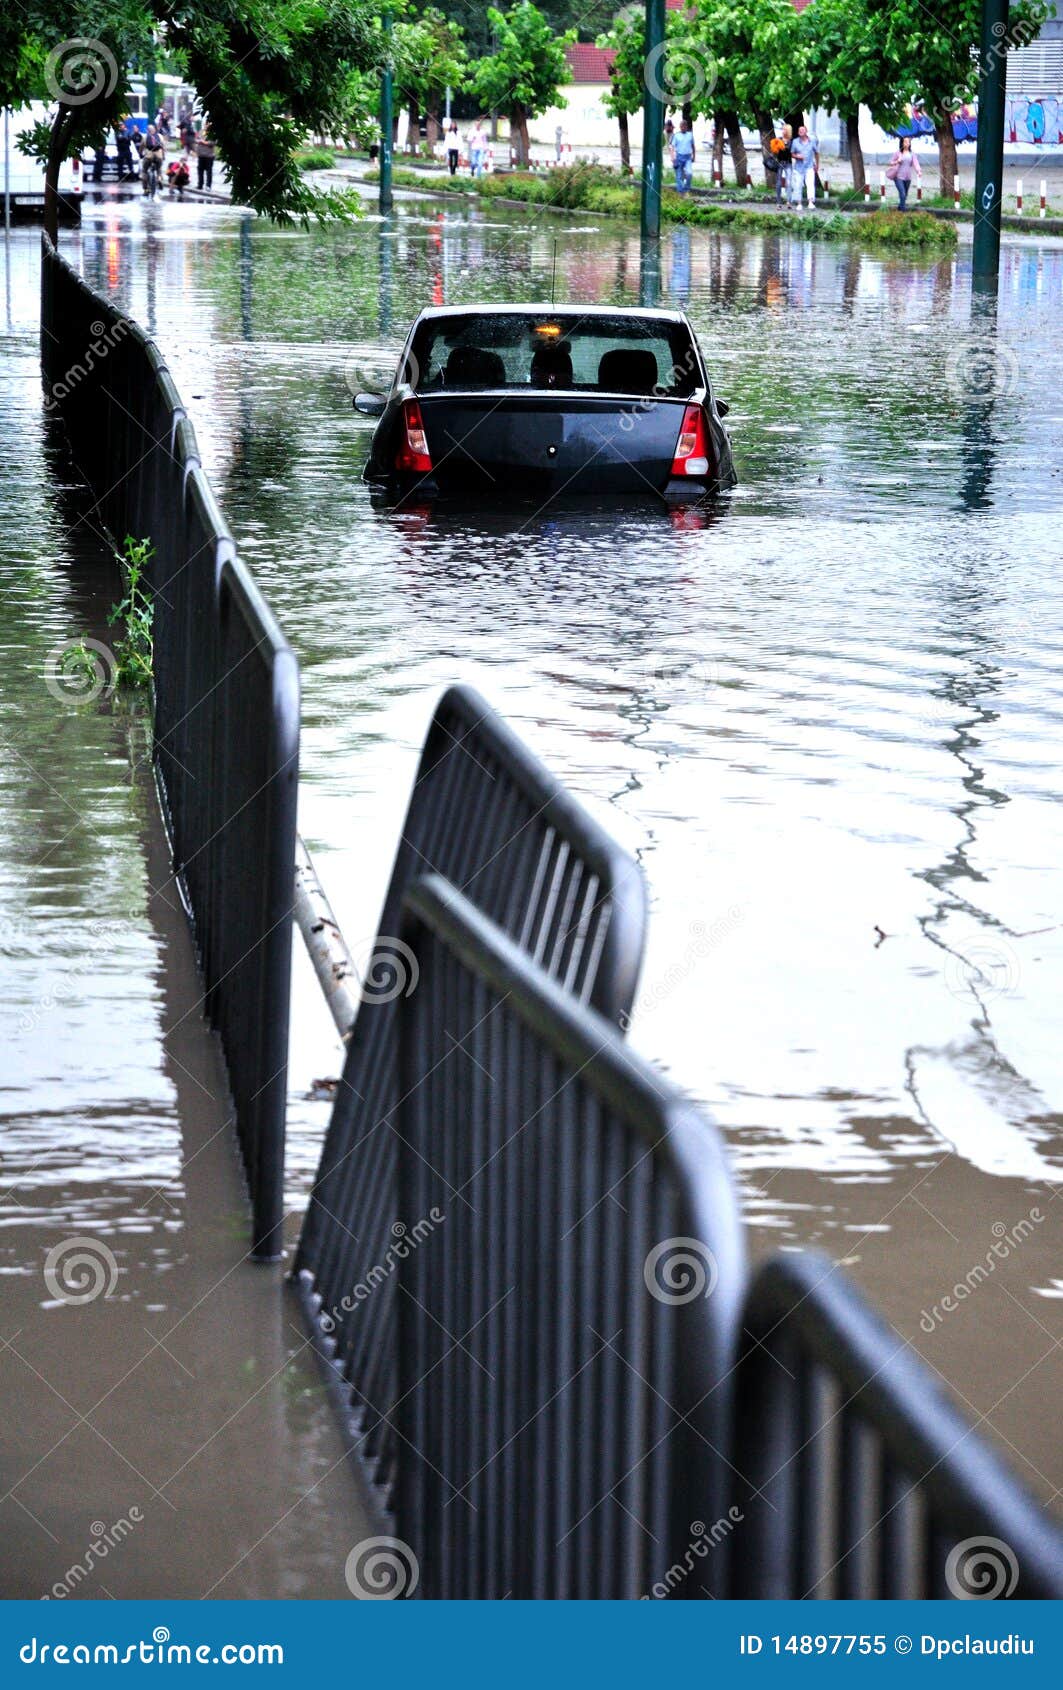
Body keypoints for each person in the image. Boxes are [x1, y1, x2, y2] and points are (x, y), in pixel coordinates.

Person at [788, 122, 819, 210]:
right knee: (798, 185)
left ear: (806, 131)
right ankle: (799, 203)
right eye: (799, 130)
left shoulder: (812, 141)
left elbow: (816, 153)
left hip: (809, 166)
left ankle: (810, 202)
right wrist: (798, 156)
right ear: (798, 132)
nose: (801, 131)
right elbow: (792, 154)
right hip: (798, 167)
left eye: (803, 130)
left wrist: (817, 164)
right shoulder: (795, 142)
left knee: (810, 184)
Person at [887, 136, 921, 210]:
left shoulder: (912, 154)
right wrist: (897, 161)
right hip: (898, 177)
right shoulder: (898, 153)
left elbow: (916, 163)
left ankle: (900, 207)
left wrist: (918, 171)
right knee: (902, 194)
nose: (907, 143)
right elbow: (891, 163)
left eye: (908, 142)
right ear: (902, 143)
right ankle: (903, 211)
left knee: (905, 195)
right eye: (905, 141)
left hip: (908, 177)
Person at [768, 123, 791, 207]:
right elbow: (774, 151)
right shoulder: (778, 140)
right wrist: (775, 148)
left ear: (788, 131)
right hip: (779, 163)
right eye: (782, 129)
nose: (783, 131)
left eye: (785, 129)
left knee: (788, 182)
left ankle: (789, 201)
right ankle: (778, 202)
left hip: (788, 163)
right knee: (778, 183)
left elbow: (791, 152)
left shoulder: (791, 141)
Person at [671, 118, 695, 194]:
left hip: (688, 157)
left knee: (689, 173)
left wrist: (694, 156)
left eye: (684, 126)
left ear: (687, 127)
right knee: (679, 176)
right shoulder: (676, 135)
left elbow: (693, 146)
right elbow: (672, 147)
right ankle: (680, 192)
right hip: (679, 157)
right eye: (682, 126)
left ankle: (686, 188)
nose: (683, 128)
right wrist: (673, 158)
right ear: (680, 127)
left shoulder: (690, 135)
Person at [140, 122, 165, 194]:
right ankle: (159, 179)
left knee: (144, 171)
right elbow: (163, 147)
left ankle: (145, 188)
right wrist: (163, 156)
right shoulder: (160, 136)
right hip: (158, 156)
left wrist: (141, 154)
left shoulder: (145, 137)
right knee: (159, 169)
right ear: (155, 130)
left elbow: (141, 147)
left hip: (148, 156)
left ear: (148, 130)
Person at [195, 121, 216, 190]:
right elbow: (196, 139)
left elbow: (213, 143)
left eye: (208, 124)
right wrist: (198, 141)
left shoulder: (212, 133)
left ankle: (208, 186)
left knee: (209, 171)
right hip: (201, 155)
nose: (206, 126)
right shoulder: (201, 131)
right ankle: (200, 185)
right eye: (206, 124)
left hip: (209, 156)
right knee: (200, 170)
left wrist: (204, 142)